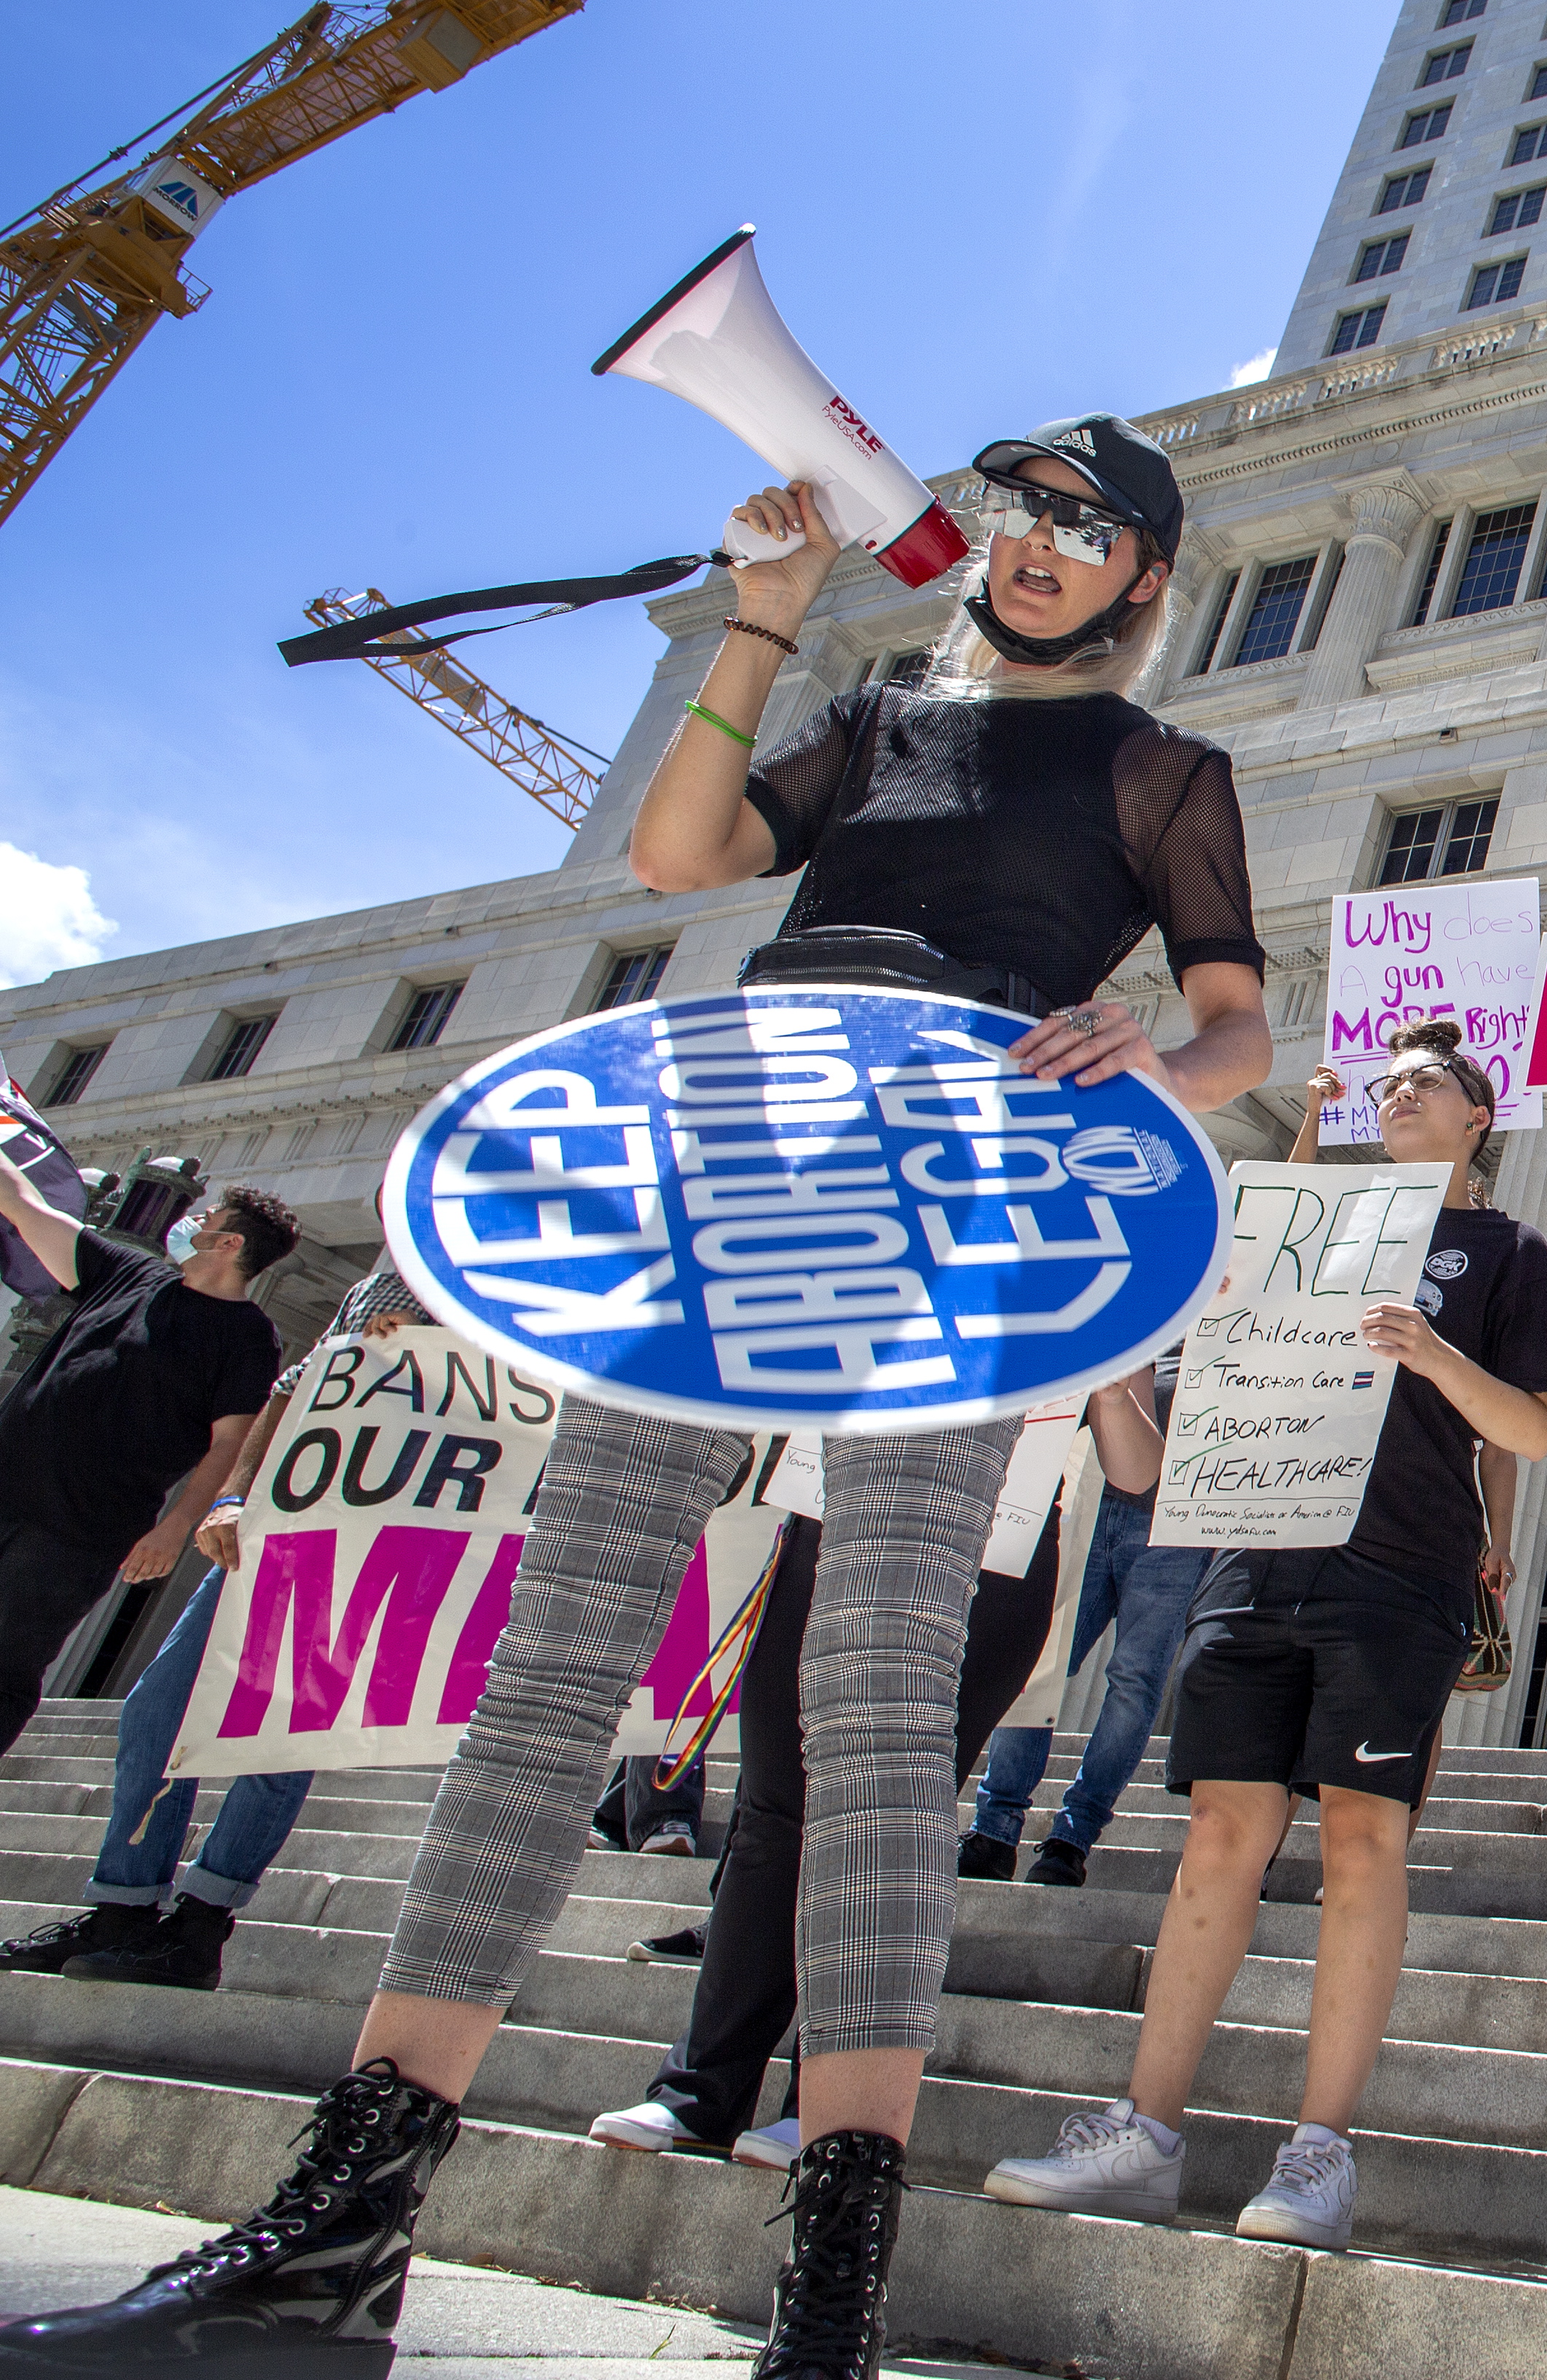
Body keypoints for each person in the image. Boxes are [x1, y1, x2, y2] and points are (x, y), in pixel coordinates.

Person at [2, 412, 1272, 2380]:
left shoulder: (1164, 768)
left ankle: (830, 2288)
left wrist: (1155, 1060)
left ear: (1146, 577)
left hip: (958, 1197)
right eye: (1022, 510)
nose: (1039, 542)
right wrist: (757, 626)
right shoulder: (871, 713)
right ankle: (344, 2228)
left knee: (872, 1698)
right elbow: (682, 857)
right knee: (557, 1652)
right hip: (745, 1155)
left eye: (1088, 525)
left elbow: (1237, 1019)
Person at [979, 1020, 1547, 2250]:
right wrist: (1115, 1368)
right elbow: (1152, 1459)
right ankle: (1143, 2130)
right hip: (1252, 1555)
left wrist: (1430, 1348)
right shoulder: (1303, 1232)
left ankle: (1320, 2151)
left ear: (1479, 1117)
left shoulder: (1506, 1250)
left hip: (1402, 1568)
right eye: (1390, 1080)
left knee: (1361, 1839)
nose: (1400, 1090)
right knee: (1216, 1834)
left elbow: (1527, 1431)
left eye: (1430, 1082)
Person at [590, 1376, 1155, 2169]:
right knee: (773, 1812)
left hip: (993, 1560)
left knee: (886, 1829)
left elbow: (1138, 1473)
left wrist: (1104, 1379)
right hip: (833, 1518)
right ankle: (696, 2094)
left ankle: (820, 2109)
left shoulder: (1097, 1287)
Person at [0, 1262, 417, 1992]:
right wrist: (231, 1497)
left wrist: (433, 1358)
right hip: (283, 1516)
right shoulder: (385, 1274)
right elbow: (290, 1392)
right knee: (160, 1708)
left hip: (383, 1533)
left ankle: (201, 1925)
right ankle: (123, 1909)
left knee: (286, 1732)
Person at [0, 1177, 292, 1762]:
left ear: (227, 1242)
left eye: (207, 1215)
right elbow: (23, 1205)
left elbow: (230, 1443)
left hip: (76, 1533)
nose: (190, 1220)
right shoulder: (126, 1273)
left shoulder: (248, 1339)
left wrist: (177, 1523)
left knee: (5, 1663)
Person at [962, 1359, 1186, 1888]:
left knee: (1134, 1682)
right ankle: (994, 1828)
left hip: (1183, 1511)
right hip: (1092, 1481)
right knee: (1041, 1658)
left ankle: (1073, 1836)